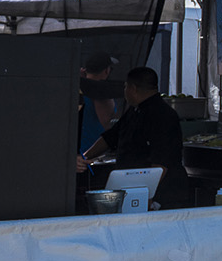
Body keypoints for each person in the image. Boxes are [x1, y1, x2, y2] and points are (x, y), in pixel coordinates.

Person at [77, 66, 188, 209]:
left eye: (125, 87)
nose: (124, 92)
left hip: (162, 193)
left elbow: (161, 162)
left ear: (132, 88)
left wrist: (148, 194)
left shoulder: (163, 115)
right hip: (134, 187)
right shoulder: (135, 110)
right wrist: (85, 157)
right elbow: (111, 137)